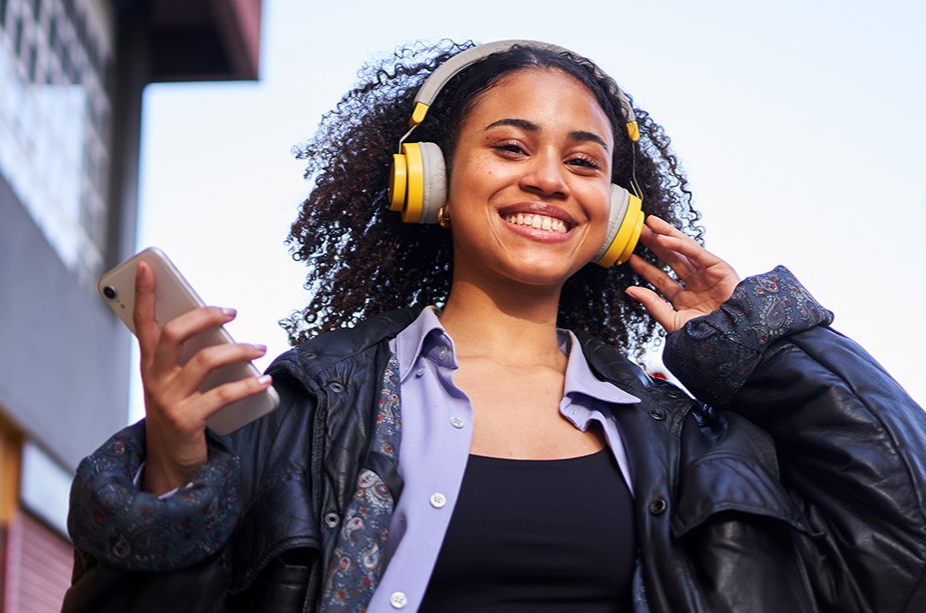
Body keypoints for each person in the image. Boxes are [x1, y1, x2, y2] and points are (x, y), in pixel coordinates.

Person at [61, 40, 926, 612]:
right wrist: (176, 474)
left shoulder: (693, 445)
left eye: (583, 162)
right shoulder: (296, 412)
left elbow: (903, 551)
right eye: (511, 148)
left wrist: (763, 342)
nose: (549, 179)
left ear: (615, 214)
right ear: (428, 182)